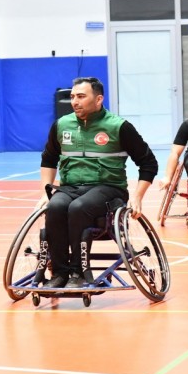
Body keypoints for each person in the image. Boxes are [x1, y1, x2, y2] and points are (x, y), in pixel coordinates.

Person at [36, 77, 158, 288]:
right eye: (72, 97)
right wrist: (45, 192)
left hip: (108, 189)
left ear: (99, 99)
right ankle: (59, 273)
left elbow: (148, 163)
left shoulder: (119, 127)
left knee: (79, 208)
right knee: (55, 207)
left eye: (81, 96)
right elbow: (48, 159)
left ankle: (78, 272)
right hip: (70, 187)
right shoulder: (62, 125)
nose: (75, 101)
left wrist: (138, 196)